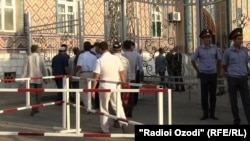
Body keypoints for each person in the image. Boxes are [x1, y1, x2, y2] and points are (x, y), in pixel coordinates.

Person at [91, 41, 129, 133]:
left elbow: (96, 76)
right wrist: (123, 84)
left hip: (104, 86)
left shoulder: (99, 60)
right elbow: (122, 73)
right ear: (108, 48)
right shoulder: (116, 59)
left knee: (104, 107)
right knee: (117, 105)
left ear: (100, 49)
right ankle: (123, 122)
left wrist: (92, 89)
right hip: (116, 85)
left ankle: (105, 129)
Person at [191, 29, 222, 120]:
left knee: (213, 95)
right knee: (204, 96)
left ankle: (212, 113)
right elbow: (193, 60)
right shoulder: (199, 49)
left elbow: (219, 60)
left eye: (208, 38)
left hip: (213, 74)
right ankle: (205, 113)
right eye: (205, 38)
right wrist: (197, 71)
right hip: (203, 74)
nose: (207, 39)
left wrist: (219, 71)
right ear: (202, 39)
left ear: (210, 39)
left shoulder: (215, 48)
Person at [222, 27, 250, 125]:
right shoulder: (228, 52)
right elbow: (224, 65)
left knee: (246, 100)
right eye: (238, 39)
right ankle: (236, 119)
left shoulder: (244, 51)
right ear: (233, 40)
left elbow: (246, 63)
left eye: (241, 38)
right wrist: (229, 73)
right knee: (233, 101)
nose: (240, 41)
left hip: (243, 78)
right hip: (232, 78)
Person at [21, 45, 48, 116]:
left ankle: (34, 108)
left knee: (32, 94)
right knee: (38, 94)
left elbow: (25, 69)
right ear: (35, 50)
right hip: (39, 78)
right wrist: (46, 78)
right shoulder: (40, 58)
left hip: (31, 78)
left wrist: (23, 78)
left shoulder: (28, 58)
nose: (40, 50)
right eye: (38, 49)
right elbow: (44, 69)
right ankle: (36, 108)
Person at [74, 41, 97, 109]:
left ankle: (88, 106)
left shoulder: (81, 55)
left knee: (83, 91)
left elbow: (79, 66)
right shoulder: (94, 56)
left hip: (84, 73)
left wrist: (74, 72)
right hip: (92, 73)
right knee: (90, 89)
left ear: (84, 47)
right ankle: (91, 104)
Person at [122, 40, 139, 117]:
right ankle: (130, 111)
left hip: (125, 77)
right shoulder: (135, 55)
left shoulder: (123, 55)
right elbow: (135, 66)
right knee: (131, 96)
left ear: (124, 47)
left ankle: (124, 110)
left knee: (124, 95)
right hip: (133, 76)